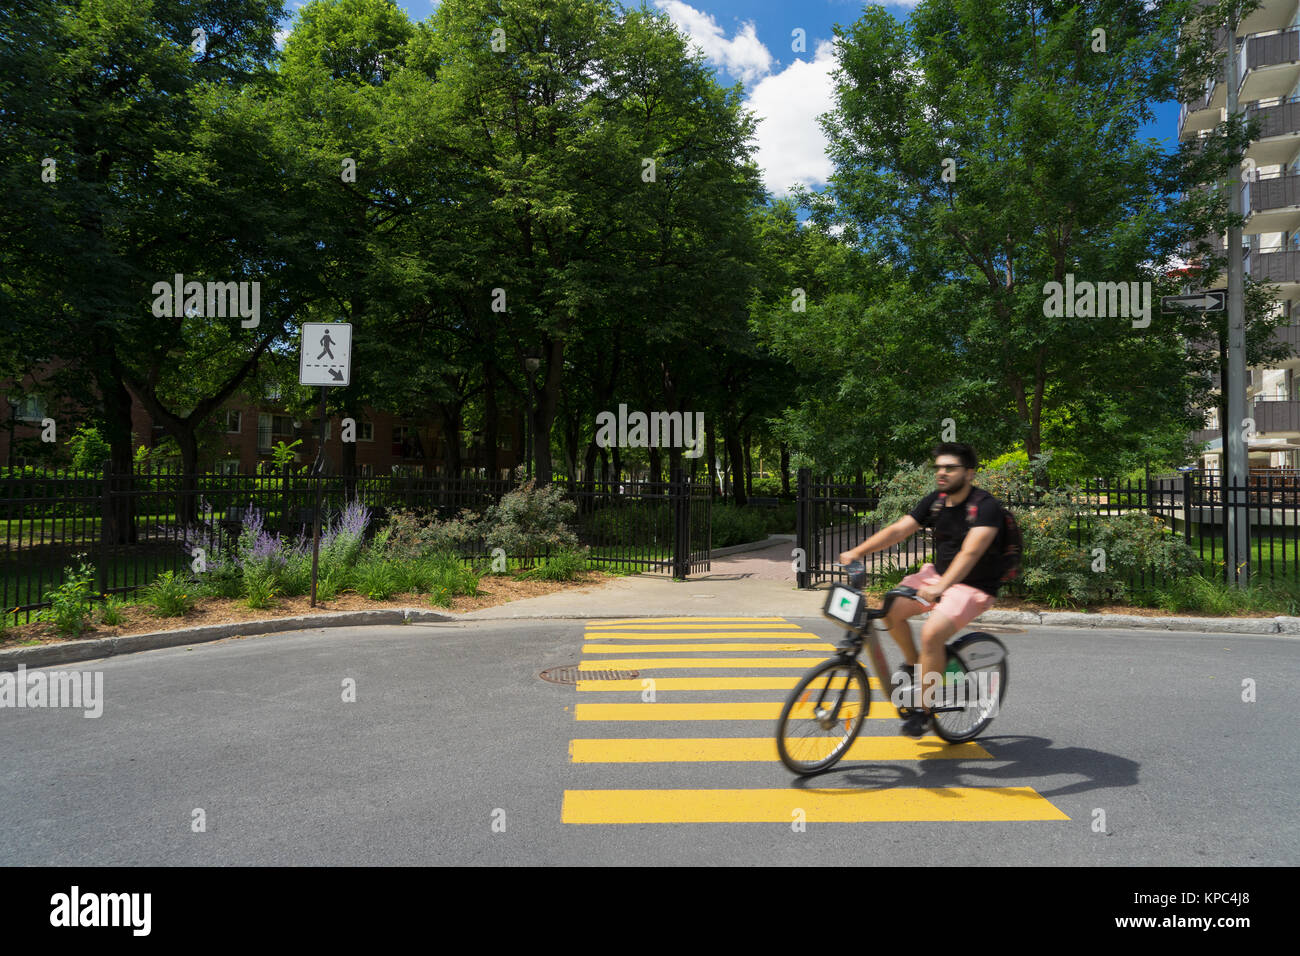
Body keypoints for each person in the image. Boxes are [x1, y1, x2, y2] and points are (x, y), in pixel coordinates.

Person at [838, 442, 1007, 737]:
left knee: (931, 634)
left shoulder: (985, 507)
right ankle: (917, 666)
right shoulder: (937, 500)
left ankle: (922, 710)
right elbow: (899, 530)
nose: (941, 473)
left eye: (950, 468)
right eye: (939, 467)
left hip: (973, 586)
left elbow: (970, 552)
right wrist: (857, 552)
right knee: (891, 612)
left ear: (969, 473)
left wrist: (943, 586)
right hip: (938, 576)